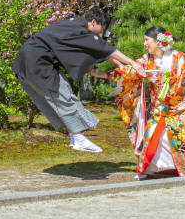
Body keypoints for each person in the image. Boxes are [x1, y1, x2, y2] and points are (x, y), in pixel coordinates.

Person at [89, 26, 185, 179]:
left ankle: (184, 168)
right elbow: (127, 72)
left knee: (179, 138)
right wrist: (98, 74)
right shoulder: (145, 60)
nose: (145, 43)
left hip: (181, 107)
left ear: (158, 41)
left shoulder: (180, 58)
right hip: (159, 107)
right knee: (152, 135)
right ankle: (149, 168)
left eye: (146, 40)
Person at [12, 8, 146, 153]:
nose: (101, 32)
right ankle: (78, 137)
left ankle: (75, 137)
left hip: (28, 62)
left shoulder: (74, 26)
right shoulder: (80, 30)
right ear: (93, 22)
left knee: (63, 97)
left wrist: (120, 65)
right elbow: (105, 48)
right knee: (63, 97)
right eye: (102, 27)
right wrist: (133, 63)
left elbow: (100, 50)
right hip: (37, 64)